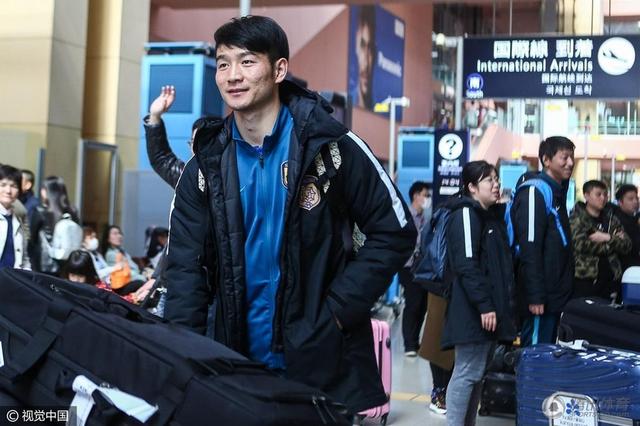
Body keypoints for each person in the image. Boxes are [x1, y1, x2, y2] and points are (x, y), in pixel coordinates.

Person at [164, 16, 416, 415]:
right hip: (232, 365)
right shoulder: (206, 167)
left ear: (279, 69)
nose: (232, 75)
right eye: (224, 63)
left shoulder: (331, 147)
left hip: (319, 364)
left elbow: (396, 230)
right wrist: (182, 360)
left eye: (247, 62)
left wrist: (337, 310)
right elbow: (183, 272)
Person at [441, 161, 516, 426]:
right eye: (489, 181)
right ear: (472, 187)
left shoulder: (486, 215)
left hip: (485, 309)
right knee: (466, 372)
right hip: (472, 309)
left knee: (475, 374)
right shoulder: (465, 214)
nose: (496, 185)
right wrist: (484, 305)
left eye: (496, 179)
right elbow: (466, 265)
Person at [510, 136, 575, 346]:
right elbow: (530, 247)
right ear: (546, 160)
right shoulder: (534, 191)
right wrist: (535, 295)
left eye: (572, 157)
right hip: (541, 298)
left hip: (554, 295)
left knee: (546, 356)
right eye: (564, 158)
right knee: (535, 355)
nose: (570, 163)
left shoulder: (557, 191)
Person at [570, 180, 631, 300]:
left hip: (612, 280)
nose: (603, 198)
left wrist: (606, 237)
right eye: (598, 194)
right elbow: (581, 245)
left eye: (605, 194)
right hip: (587, 280)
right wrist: (613, 243)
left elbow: (627, 245)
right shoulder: (577, 219)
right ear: (586, 196)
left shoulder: (611, 219)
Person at [144, 85, 211, 188]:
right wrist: (155, 116)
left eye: (201, 142)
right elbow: (161, 160)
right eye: (193, 142)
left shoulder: (233, 180)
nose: (195, 148)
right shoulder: (188, 178)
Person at [400, 181, 431, 357]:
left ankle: (415, 341)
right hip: (407, 265)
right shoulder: (406, 216)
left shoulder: (425, 219)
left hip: (421, 267)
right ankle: (409, 344)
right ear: (415, 196)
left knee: (422, 305)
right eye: (425, 195)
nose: (427, 199)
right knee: (412, 303)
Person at [28, 176, 79, 274]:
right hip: (68, 265)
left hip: (43, 265)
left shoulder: (40, 211)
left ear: (45, 191)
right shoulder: (73, 212)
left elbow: (32, 239)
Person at [62, 250, 137, 304]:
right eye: (72, 275)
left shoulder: (100, 288)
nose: (75, 280)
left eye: (80, 276)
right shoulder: (63, 287)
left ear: (89, 274)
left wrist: (133, 298)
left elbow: (116, 301)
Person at [101, 225, 147, 295]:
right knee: (142, 284)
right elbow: (128, 273)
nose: (119, 236)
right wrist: (144, 277)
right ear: (108, 239)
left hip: (130, 280)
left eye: (120, 233)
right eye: (115, 234)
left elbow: (134, 268)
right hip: (120, 285)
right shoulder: (111, 254)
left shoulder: (122, 251)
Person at [0, 164, 30, 270]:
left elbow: (24, 258)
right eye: (3, 185)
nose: (8, 191)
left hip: (12, 282)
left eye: (13, 186)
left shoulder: (18, 220)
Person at [352, 5, 376, 109]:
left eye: (370, 48)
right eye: (362, 45)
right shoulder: (347, 103)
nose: (366, 63)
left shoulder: (378, 106)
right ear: (356, 47)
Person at [614, 184, 640, 271]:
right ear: (620, 202)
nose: (635, 202)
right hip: (625, 271)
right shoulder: (617, 221)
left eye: (637, 198)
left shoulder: (634, 219)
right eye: (630, 199)